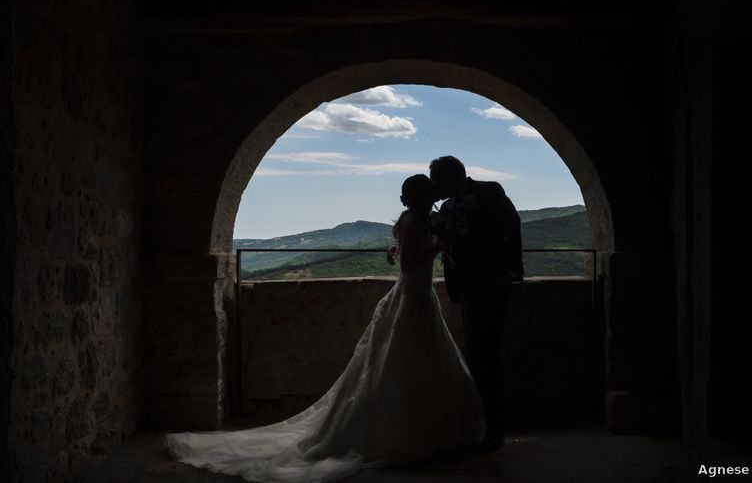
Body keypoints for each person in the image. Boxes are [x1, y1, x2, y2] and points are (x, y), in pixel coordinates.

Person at [164, 174, 485, 483]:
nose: (402, 196)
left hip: (419, 298)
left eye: (405, 191)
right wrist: (438, 247)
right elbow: (409, 265)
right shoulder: (418, 221)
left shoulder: (421, 221)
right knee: (407, 363)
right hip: (411, 297)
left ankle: (423, 431)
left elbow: (405, 252)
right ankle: (407, 435)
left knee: (417, 363)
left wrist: (405, 247)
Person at [429, 155, 523, 452]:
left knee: (487, 354)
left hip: (492, 283)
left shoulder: (488, 191)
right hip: (467, 287)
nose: (434, 185)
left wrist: (512, 268)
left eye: (436, 179)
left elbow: (512, 223)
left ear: (452, 177)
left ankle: (496, 428)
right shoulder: (445, 208)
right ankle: (483, 425)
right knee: (476, 353)